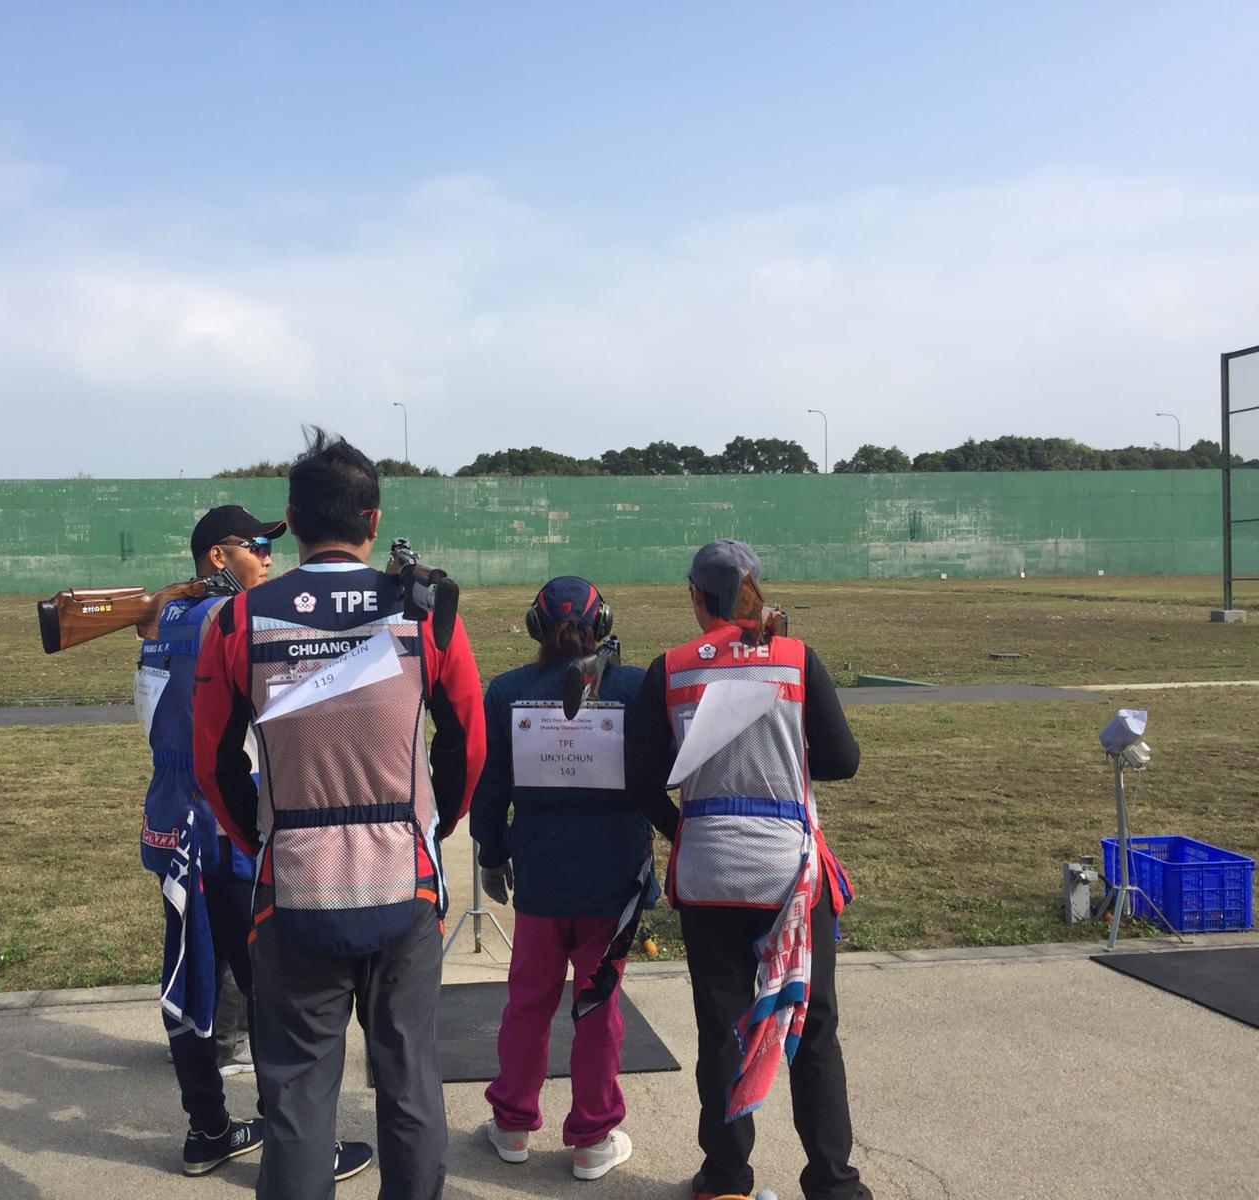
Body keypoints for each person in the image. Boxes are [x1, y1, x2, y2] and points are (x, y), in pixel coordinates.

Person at [194, 429, 486, 1200]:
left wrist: (263, 838)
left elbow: (213, 764)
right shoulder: (426, 612)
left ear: (291, 520)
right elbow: (467, 742)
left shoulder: (238, 621)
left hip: (292, 885)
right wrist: (434, 829)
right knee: (410, 1083)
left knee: (296, 1102)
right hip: (405, 882)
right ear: (373, 518)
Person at [624, 539, 870, 1200]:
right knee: (814, 1030)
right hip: (791, 873)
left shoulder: (671, 669)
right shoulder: (796, 657)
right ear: (755, 589)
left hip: (708, 873)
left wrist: (686, 829)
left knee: (722, 1033)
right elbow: (843, 760)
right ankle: (834, 1183)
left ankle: (727, 1178)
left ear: (696, 597)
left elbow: (642, 779)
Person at [139, 503, 371, 1181]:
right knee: (272, 988)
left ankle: (207, 1129)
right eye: (256, 546)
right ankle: (298, 1144)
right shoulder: (227, 619)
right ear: (219, 557)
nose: (269, 556)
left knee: (191, 977)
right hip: (222, 819)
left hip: (171, 818)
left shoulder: (162, 618)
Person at [470, 576, 652, 1181]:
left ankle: (513, 1124)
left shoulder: (508, 691)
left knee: (529, 1001)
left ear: (533, 626)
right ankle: (593, 1137)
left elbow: (490, 786)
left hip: (541, 873)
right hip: (614, 875)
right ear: (604, 625)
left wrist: (491, 852)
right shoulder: (631, 686)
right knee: (598, 1006)